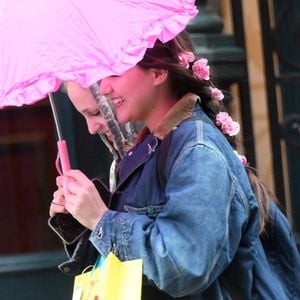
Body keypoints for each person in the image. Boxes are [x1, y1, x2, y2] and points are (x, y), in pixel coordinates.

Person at [50, 31, 300, 299]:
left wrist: (100, 219)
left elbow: (183, 267)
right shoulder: (151, 148)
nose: (106, 88)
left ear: (158, 72)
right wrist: (83, 216)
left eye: (115, 73)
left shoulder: (197, 151)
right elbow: (131, 264)